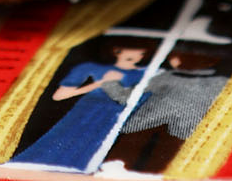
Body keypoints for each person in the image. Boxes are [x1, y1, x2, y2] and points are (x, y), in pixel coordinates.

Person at [15, 42, 149, 172]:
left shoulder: (145, 74)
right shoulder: (91, 67)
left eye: (141, 51)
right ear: (116, 50)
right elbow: (59, 95)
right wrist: (100, 83)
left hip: (117, 115)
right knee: (64, 143)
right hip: (86, 112)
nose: (134, 54)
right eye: (126, 49)